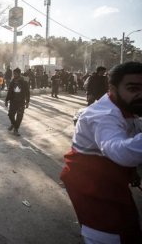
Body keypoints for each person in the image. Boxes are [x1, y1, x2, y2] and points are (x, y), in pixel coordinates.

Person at [60, 62, 142, 243]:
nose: (140, 94)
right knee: (107, 233)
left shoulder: (127, 106)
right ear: (112, 88)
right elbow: (118, 150)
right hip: (90, 183)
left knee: (127, 226)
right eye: (133, 88)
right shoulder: (103, 116)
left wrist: (132, 171)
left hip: (112, 178)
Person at [5, 68, 30, 136]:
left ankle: (16, 129)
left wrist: (27, 101)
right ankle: (13, 124)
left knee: (19, 116)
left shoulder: (24, 82)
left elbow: (27, 92)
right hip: (13, 102)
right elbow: (9, 92)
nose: (14, 75)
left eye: (15, 74)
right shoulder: (12, 82)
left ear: (19, 74)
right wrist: (6, 100)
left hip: (21, 102)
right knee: (10, 115)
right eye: (14, 74)